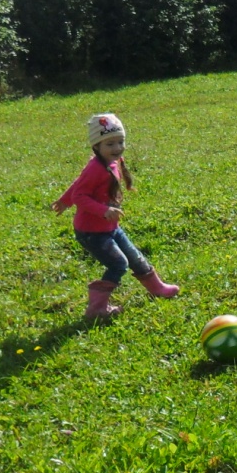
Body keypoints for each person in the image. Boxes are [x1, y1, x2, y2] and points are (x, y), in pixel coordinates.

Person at [53, 113, 180, 319]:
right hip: (92, 232)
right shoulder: (95, 168)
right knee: (118, 264)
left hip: (110, 227)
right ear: (97, 147)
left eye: (120, 142)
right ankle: (97, 308)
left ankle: (157, 288)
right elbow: (80, 193)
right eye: (110, 144)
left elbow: (78, 184)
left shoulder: (111, 161)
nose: (117, 148)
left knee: (135, 257)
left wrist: (65, 200)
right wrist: (101, 209)